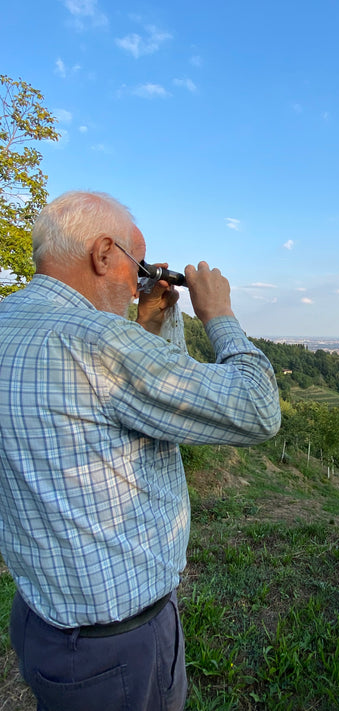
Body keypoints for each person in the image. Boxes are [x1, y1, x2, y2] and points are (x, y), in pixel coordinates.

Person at [0, 190, 281, 711]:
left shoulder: (10, 322)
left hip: (41, 622)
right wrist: (218, 313)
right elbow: (258, 408)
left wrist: (149, 325)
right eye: (138, 265)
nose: (138, 286)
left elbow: (102, 410)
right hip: (116, 650)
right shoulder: (97, 341)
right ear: (103, 253)